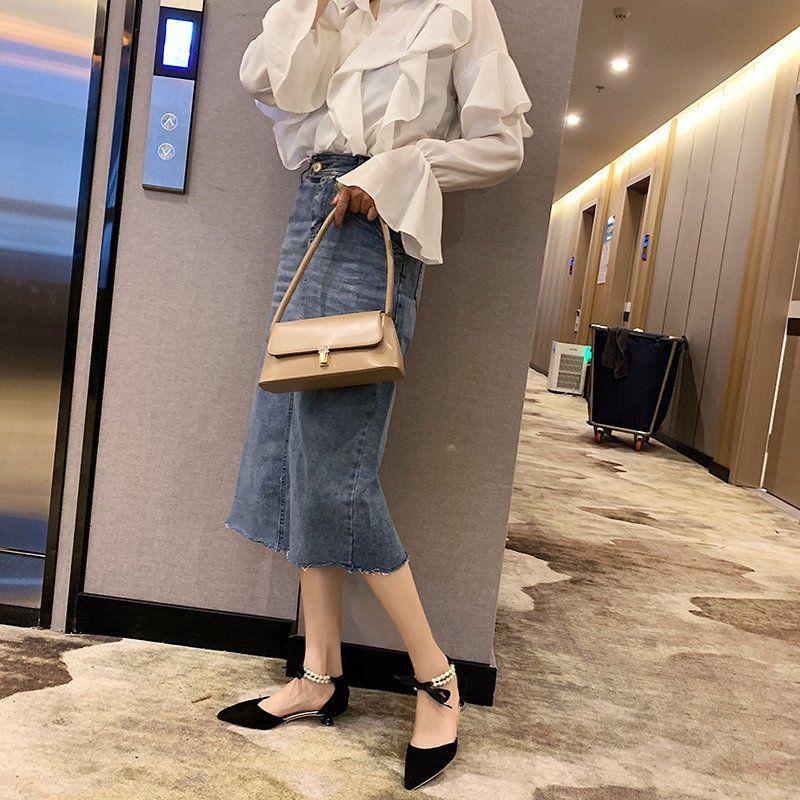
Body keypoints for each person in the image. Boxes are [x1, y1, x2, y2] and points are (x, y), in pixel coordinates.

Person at [218, 0, 531, 789]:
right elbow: (269, 83)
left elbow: (501, 144)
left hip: (375, 231)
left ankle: (437, 676)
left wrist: (394, 171)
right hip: (312, 216)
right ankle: (319, 676)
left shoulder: (459, 10)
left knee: (337, 473)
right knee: (296, 453)